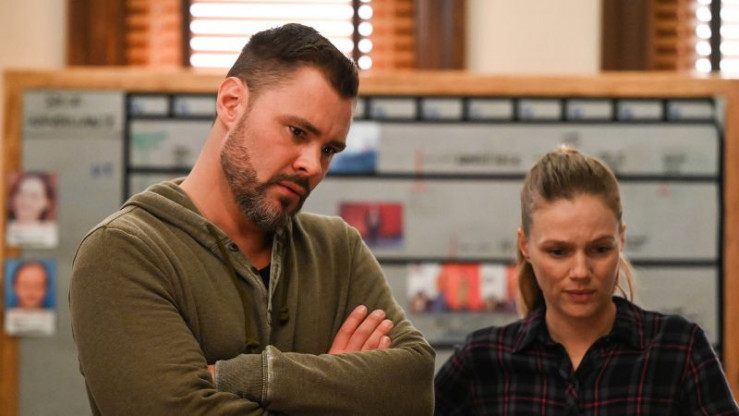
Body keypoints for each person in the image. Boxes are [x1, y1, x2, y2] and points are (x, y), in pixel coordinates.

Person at [70, 24, 434, 416]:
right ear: (231, 103)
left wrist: (252, 377)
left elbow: (413, 388)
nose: (312, 165)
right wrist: (342, 389)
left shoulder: (338, 250)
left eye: (329, 149)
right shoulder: (122, 252)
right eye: (297, 132)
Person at [434, 147, 738, 415]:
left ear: (621, 239)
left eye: (600, 249)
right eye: (558, 252)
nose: (580, 271)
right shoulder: (482, 360)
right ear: (525, 246)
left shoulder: (678, 349)